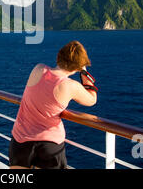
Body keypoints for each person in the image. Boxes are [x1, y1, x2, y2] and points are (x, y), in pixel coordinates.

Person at [9, 40, 97, 169]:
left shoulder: (38, 69)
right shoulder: (69, 85)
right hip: (49, 143)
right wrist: (85, 75)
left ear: (59, 56)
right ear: (78, 67)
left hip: (21, 139)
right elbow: (92, 100)